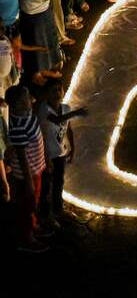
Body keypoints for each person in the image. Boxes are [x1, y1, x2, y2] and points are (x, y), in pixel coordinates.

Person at [37, 77, 87, 228]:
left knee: (59, 182)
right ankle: (45, 216)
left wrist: (72, 147)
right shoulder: (44, 110)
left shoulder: (65, 108)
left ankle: (58, 210)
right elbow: (58, 120)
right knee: (46, 186)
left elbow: (67, 128)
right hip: (47, 154)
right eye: (53, 91)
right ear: (46, 94)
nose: (57, 93)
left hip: (60, 152)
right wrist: (77, 112)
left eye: (59, 89)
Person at [6, 83, 49, 253]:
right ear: (17, 105)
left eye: (28, 98)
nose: (30, 101)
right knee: (27, 205)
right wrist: (29, 182)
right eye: (25, 100)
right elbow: (22, 157)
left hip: (35, 170)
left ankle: (32, 225)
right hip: (26, 176)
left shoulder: (27, 114)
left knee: (33, 202)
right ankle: (26, 239)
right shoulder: (18, 126)